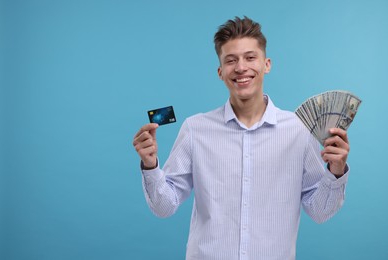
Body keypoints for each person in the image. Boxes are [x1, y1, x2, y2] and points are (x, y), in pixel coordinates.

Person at [132, 16, 350, 260]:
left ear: (266, 64)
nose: (241, 68)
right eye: (231, 60)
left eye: (250, 57)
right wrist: (150, 165)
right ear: (220, 72)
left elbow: (320, 211)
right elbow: (165, 206)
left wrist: (336, 171)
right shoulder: (195, 129)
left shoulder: (299, 130)